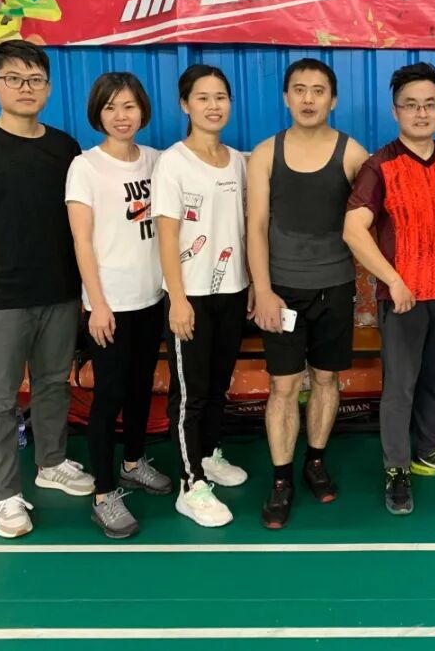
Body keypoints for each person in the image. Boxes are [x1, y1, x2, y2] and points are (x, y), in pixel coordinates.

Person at [0, 40, 94, 539]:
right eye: (13, 78)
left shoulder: (65, 148)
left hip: (59, 292)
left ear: (48, 88)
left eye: (35, 80)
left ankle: (52, 463)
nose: (25, 88)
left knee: (52, 384)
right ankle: (4, 495)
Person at [344, 62, 435, 516]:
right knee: (400, 388)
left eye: (429, 104)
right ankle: (397, 470)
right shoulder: (379, 167)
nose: (421, 113)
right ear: (395, 111)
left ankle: (429, 453)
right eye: (411, 105)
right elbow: (353, 230)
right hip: (404, 299)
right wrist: (393, 280)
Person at [247, 58, 368, 529]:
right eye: (299, 89)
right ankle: (281, 478)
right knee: (282, 386)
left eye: (318, 90)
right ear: (286, 97)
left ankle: (315, 460)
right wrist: (262, 289)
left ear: (332, 100)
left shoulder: (352, 153)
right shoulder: (265, 154)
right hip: (281, 291)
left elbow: (377, 215)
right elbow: (256, 225)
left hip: (335, 287)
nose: (308, 98)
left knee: (326, 379)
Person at [66, 72, 171, 539]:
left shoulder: (157, 161)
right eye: (110, 107)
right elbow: (82, 241)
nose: (121, 116)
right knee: (108, 397)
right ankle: (104, 494)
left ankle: (133, 462)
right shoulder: (85, 167)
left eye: (128, 106)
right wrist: (97, 305)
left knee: (141, 388)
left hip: (151, 298)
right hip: (110, 304)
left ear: (142, 110)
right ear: (98, 114)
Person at [151, 65, 251, 528]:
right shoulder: (173, 162)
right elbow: (167, 236)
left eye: (221, 97)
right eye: (203, 97)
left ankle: (209, 455)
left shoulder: (238, 162)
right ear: (185, 105)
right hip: (189, 295)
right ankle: (191, 486)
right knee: (190, 394)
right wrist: (177, 299)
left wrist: (252, 284)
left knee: (216, 385)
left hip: (232, 292)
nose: (213, 106)